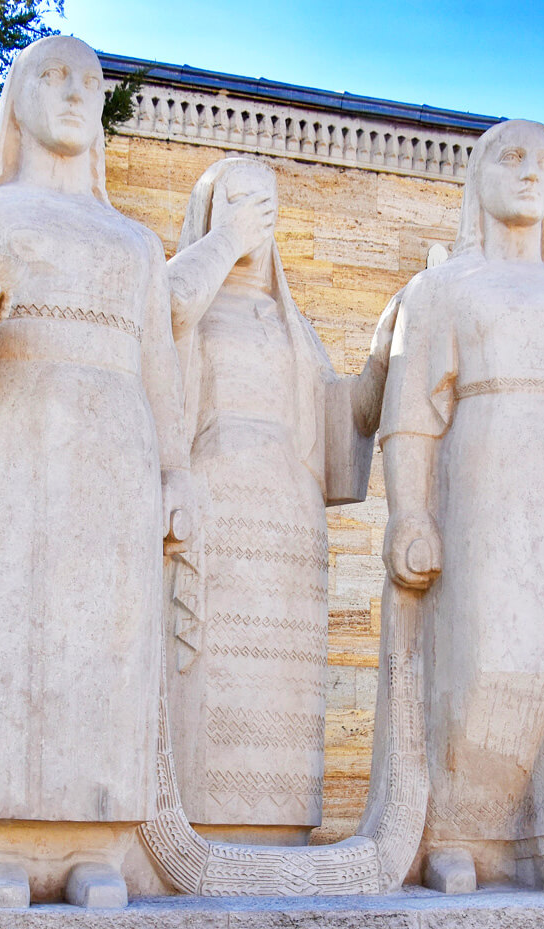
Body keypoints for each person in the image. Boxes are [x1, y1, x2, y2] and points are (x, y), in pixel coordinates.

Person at [0, 36, 191, 908]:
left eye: (88, 81)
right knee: (5, 631)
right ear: (17, 101)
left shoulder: (136, 244)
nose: (72, 92)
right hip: (9, 441)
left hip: (116, 453)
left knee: (106, 641)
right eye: (51, 76)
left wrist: (177, 474)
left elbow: (162, 374)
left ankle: (90, 843)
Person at [377, 119, 544, 899]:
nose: (531, 174)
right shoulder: (443, 290)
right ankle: (459, 835)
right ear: (479, 178)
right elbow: (411, 413)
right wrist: (410, 511)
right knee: (482, 657)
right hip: (486, 479)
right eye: (512, 159)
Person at [164, 157, 388, 843]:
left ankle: (283, 826)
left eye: (266, 202)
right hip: (216, 504)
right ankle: (199, 823)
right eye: (237, 199)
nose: (255, 212)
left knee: (284, 686)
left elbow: (336, 422)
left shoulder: (292, 326)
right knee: (210, 674)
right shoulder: (190, 308)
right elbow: (162, 311)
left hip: (289, 522)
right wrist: (226, 240)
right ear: (209, 211)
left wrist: (385, 362)